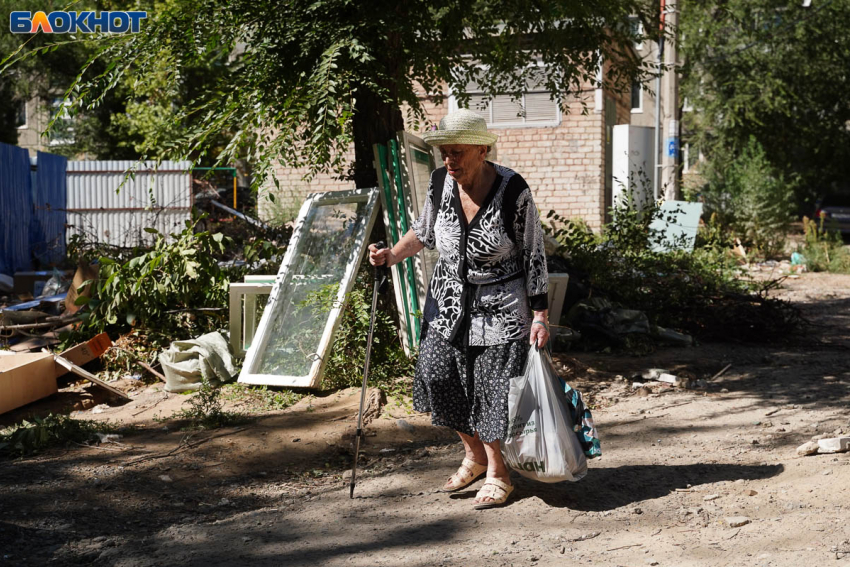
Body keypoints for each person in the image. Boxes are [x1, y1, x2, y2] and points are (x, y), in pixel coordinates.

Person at [369, 108, 549, 509]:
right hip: (449, 302)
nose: (449, 160)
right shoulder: (439, 183)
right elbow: (423, 231)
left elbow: (534, 253)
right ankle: (474, 455)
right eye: (444, 152)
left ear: (482, 151)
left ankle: (499, 473)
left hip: (501, 306)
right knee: (436, 375)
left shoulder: (513, 190)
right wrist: (389, 256)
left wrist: (540, 314)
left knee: (490, 391)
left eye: (457, 153)